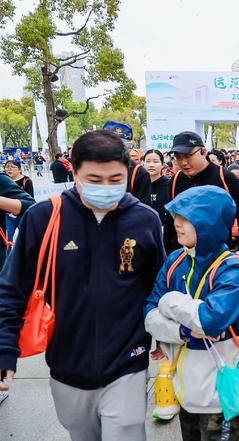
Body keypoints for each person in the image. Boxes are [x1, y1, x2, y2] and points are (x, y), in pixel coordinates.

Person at [0, 130, 165, 441]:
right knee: (82, 434)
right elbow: (12, 287)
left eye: (115, 179)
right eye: (94, 179)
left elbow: (158, 286)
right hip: (67, 363)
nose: (106, 187)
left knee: (126, 432)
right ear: (73, 172)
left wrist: (166, 337)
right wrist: (4, 348)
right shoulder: (44, 218)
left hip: (128, 360)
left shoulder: (145, 219)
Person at [144, 185, 239, 441]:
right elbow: (149, 314)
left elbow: (210, 320)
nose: (177, 226)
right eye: (176, 219)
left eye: (186, 220)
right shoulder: (174, 260)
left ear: (209, 223)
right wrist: (183, 331)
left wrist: (170, 301)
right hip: (184, 394)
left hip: (221, 399)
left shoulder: (232, 268)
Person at [165, 131, 239, 258]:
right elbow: (169, 222)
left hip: (217, 258)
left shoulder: (225, 178)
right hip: (182, 258)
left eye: (188, 155)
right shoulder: (175, 180)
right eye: (178, 157)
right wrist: (169, 256)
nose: (183, 162)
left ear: (204, 152)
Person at [3, 159, 35, 244]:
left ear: (19, 169)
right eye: (7, 167)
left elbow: (31, 199)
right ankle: (8, 257)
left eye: (13, 167)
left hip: (23, 216)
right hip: (8, 217)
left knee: (28, 239)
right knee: (6, 240)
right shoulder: (3, 181)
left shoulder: (26, 181)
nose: (9, 169)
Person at [144, 149, 170, 225]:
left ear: (162, 165)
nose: (151, 165)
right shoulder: (139, 184)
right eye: (148, 161)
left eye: (155, 161)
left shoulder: (169, 185)